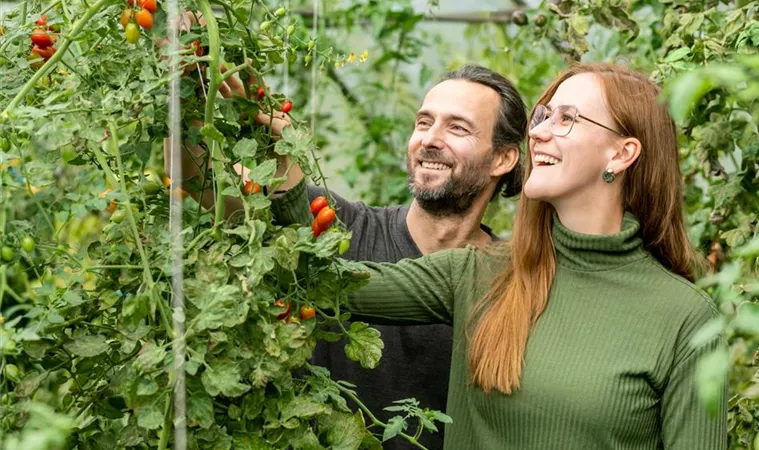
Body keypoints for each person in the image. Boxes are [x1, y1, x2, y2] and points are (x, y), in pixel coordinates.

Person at [290, 63, 728, 449]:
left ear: (622, 152)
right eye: (541, 116)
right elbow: (321, 280)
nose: (538, 131)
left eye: (567, 118)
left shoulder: (687, 319)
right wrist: (274, 157)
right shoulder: (479, 272)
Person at [166, 63, 526, 449]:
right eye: (423, 123)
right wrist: (186, 76)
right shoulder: (334, 228)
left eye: (457, 128)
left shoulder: (515, 281)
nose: (430, 140)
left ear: (502, 159)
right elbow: (196, 178)